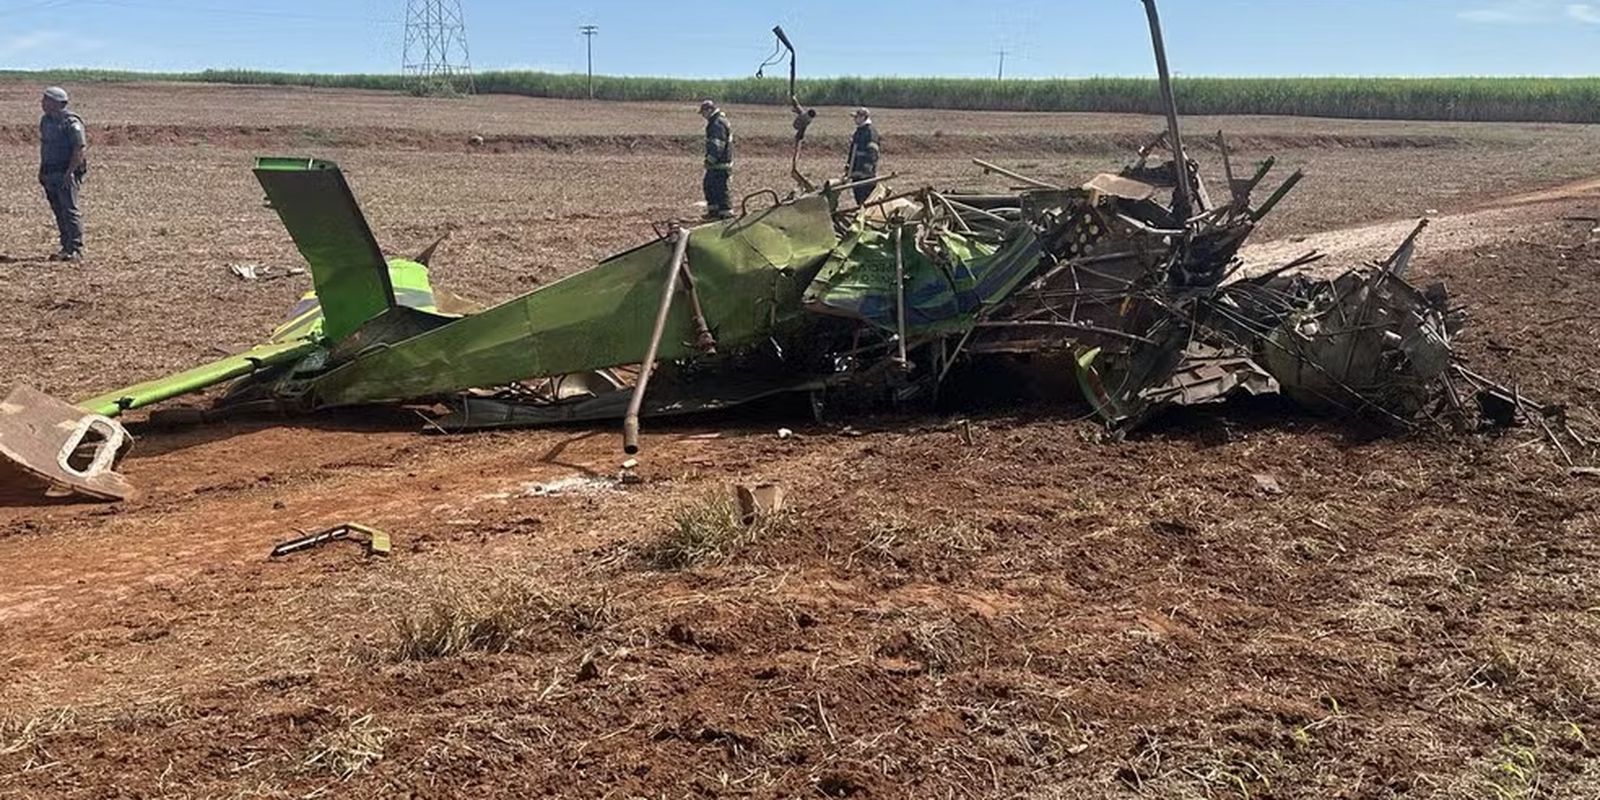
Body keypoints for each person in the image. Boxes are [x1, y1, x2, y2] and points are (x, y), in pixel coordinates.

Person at [38, 86, 88, 262]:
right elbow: (46, 147)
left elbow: (79, 148)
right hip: (50, 172)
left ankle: (75, 249)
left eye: (47, 100)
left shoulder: (71, 122)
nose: (43, 103)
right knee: (58, 210)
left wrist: (70, 173)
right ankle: (65, 247)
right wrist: (42, 171)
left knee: (69, 210)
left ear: (58, 103)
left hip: (66, 172)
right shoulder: (46, 121)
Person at [699, 99, 733, 219]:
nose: (703, 116)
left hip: (720, 164)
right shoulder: (717, 121)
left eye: (703, 112)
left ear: (709, 110)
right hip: (718, 164)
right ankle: (714, 212)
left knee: (720, 189)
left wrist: (710, 159)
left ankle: (725, 214)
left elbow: (717, 144)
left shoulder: (717, 123)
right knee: (710, 186)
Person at [845, 107, 880, 205]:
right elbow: (853, 152)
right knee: (859, 198)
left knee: (866, 200)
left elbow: (873, 152)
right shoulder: (858, 132)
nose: (854, 119)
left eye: (856, 117)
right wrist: (849, 167)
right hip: (856, 173)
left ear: (863, 117)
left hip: (866, 176)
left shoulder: (870, 132)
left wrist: (866, 169)